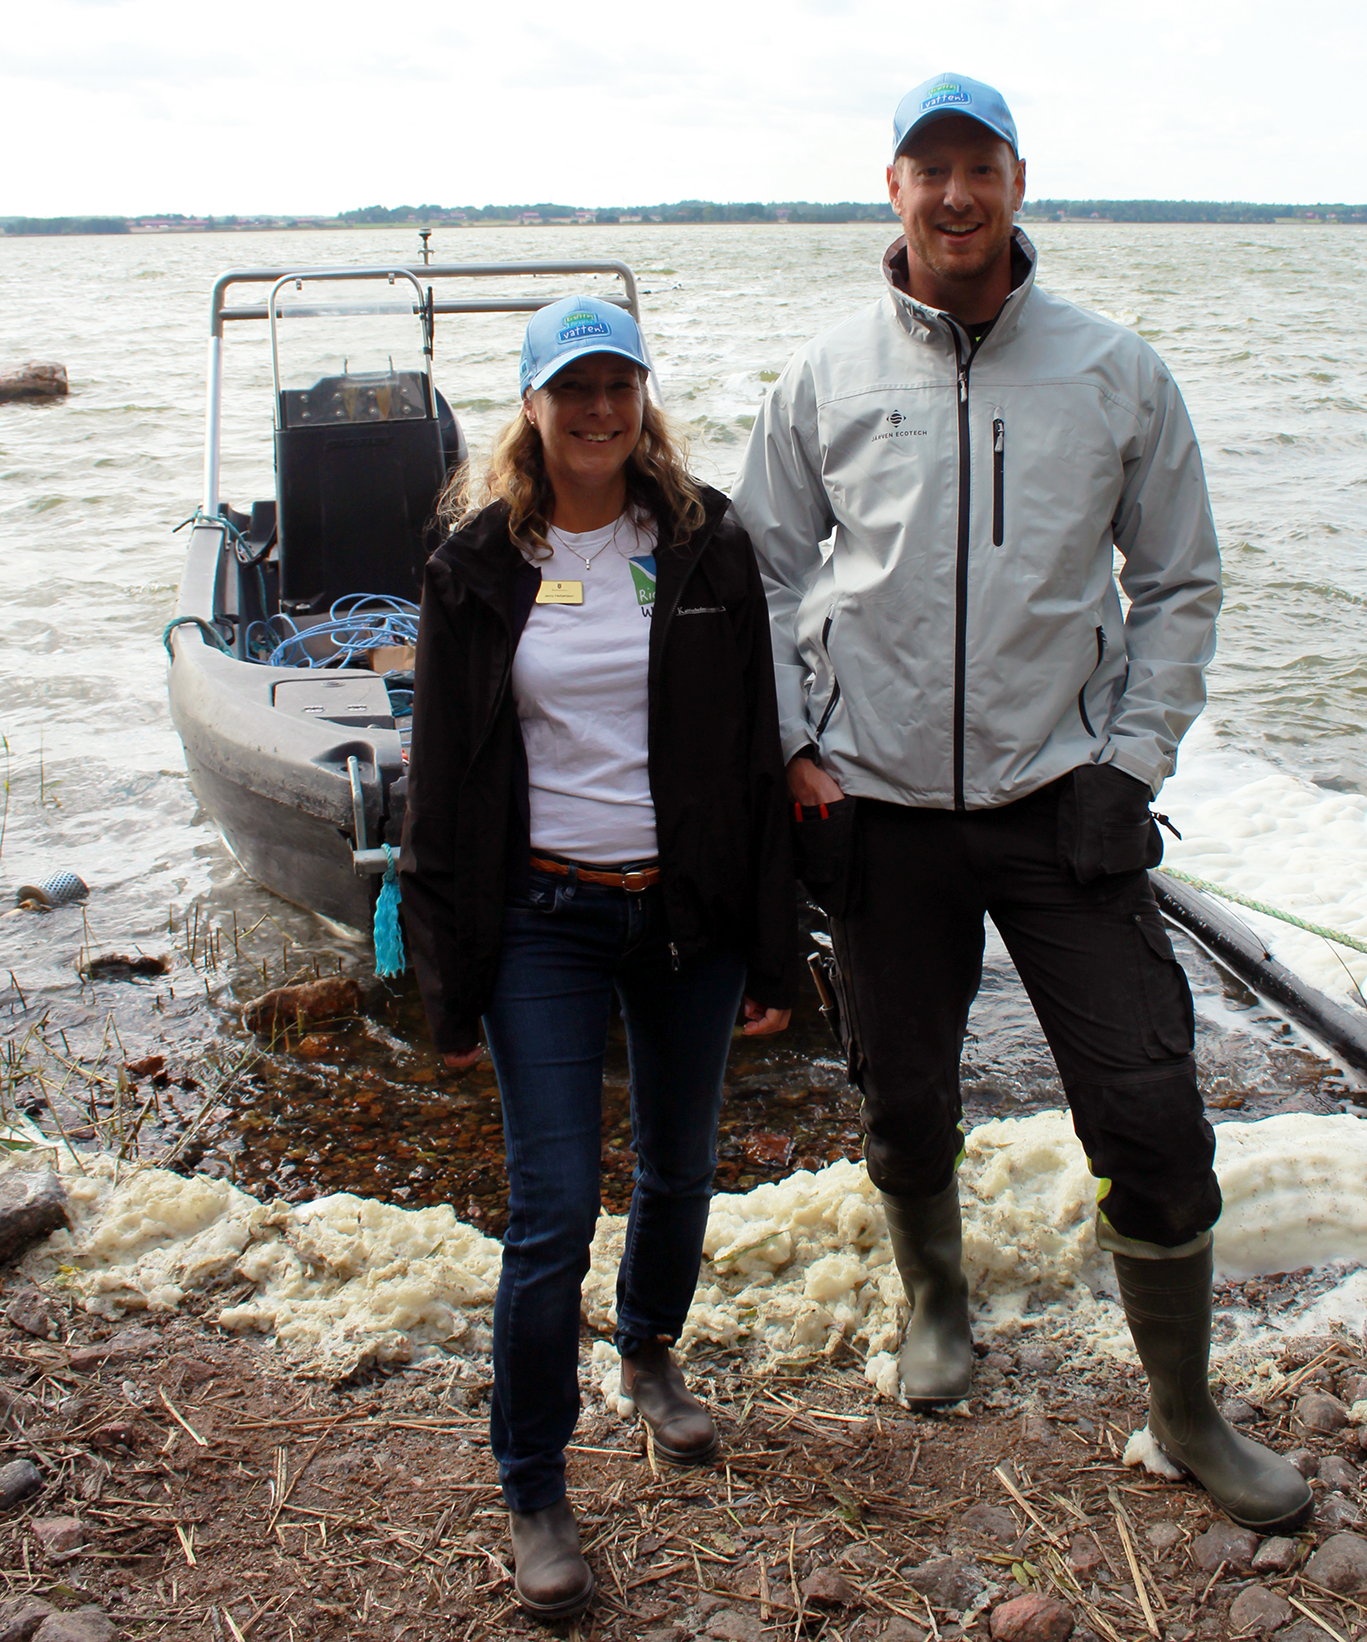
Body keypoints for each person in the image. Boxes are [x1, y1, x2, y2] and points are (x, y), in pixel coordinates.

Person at [732, 73, 1311, 1532]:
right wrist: (802, 751)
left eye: (976, 167)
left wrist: (1133, 762)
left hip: (1066, 808)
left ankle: (1183, 1412)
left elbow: (1179, 582)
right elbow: (760, 575)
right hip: (880, 811)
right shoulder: (827, 377)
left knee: (1153, 1111)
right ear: (892, 191)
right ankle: (939, 1305)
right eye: (927, 171)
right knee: (906, 1091)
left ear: (1017, 179)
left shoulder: (1117, 373)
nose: (954, 196)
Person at [400, 293, 798, 1618]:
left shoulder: (703, 543)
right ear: (530, 404)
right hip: (542, 920)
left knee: (681, 1167)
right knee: (554, 1205)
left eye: (617, 385)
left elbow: (753, 758)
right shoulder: (474, 568)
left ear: (644, 399)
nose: (597, 411)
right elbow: (442, 787)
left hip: (684, 918)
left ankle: (650, 1351)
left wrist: (774, 955)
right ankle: (534, 1480)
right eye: (571, 388)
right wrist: (448, 982)